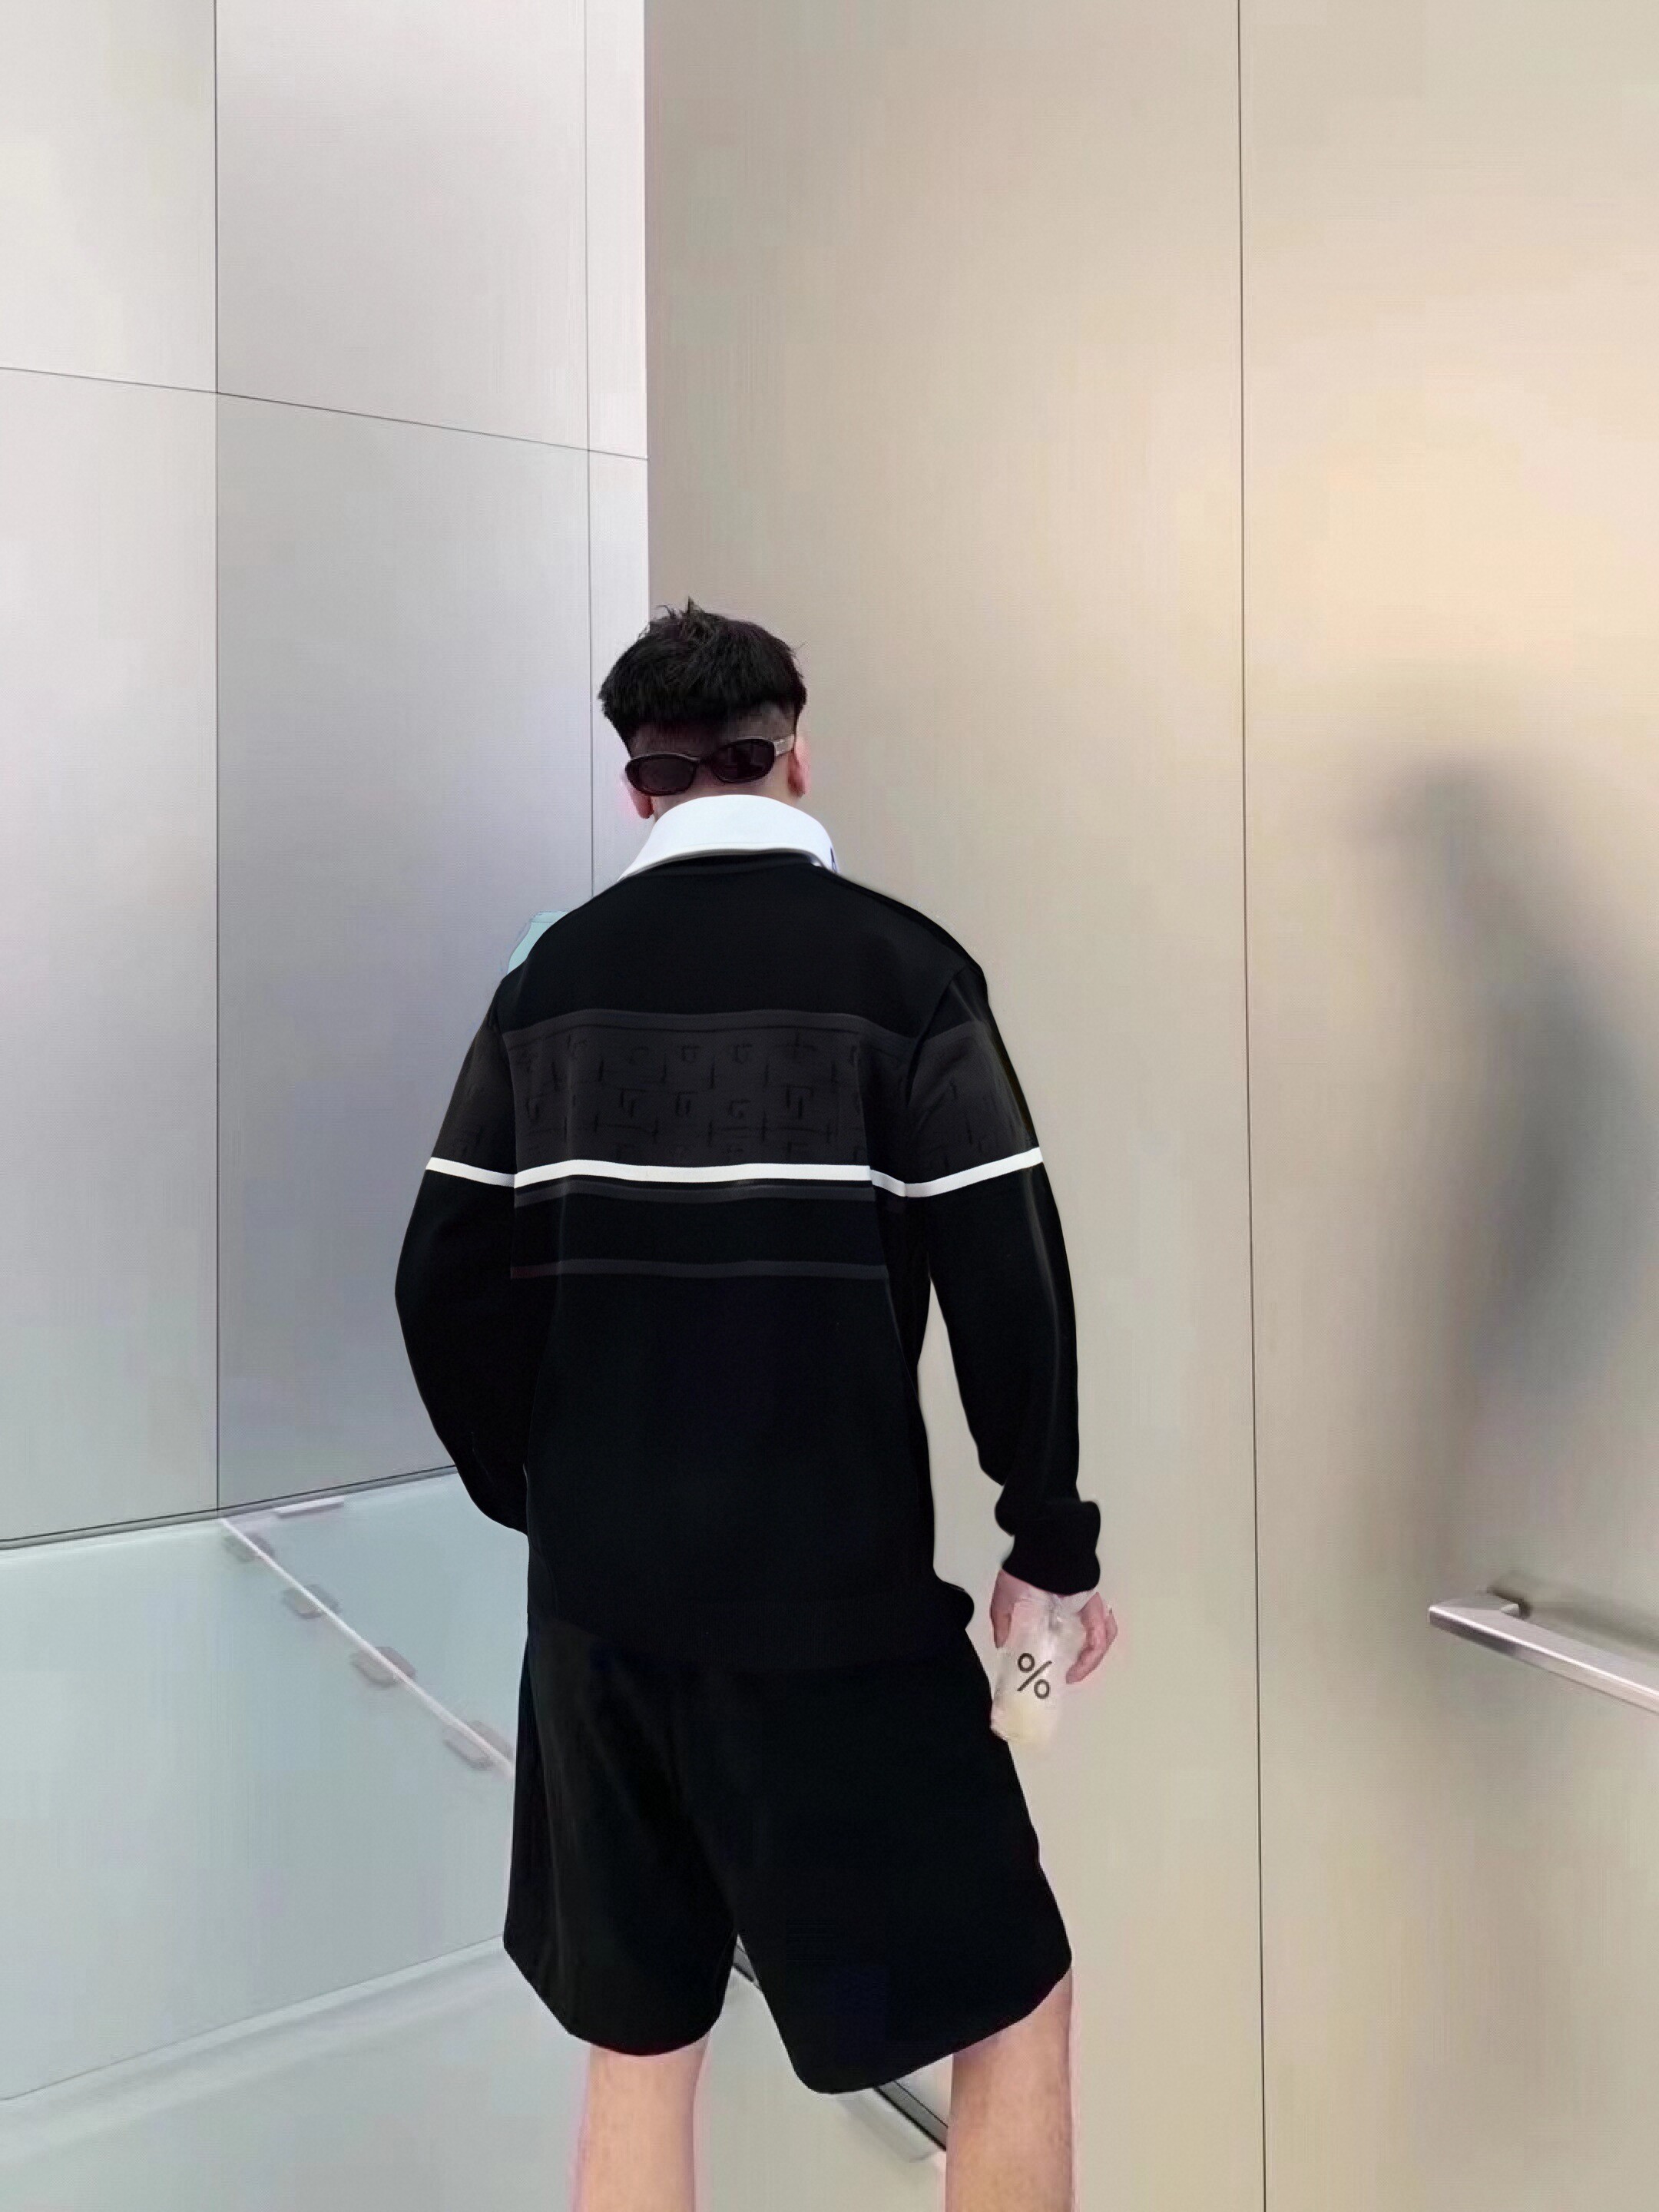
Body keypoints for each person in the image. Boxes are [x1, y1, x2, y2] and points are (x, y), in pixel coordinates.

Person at [395, 600, 1118, 2212]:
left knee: (639, 2051)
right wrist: (1048, 1542)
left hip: (597, 1623)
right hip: (831, 1623)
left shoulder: (547, 987)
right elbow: (1008, 1272)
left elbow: (437, 1277)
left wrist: (540, 1487)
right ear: (796, 755)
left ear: (636, 785)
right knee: (1014, 2007)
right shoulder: (903, 973)